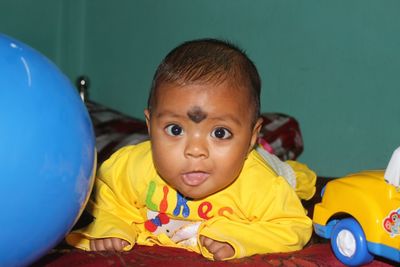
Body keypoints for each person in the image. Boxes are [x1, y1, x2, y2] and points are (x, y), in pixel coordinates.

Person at [66, 38, 316, 261]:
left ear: (252, 136)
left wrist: (239, 239)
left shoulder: (260, 186)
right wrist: (113, 228)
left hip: (273, 170)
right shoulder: (130, 169)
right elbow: (108, 202)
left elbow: (292, 226)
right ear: (150, 125)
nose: (195, 150)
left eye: (220, 133)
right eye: (175, 130)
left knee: (293, 181)